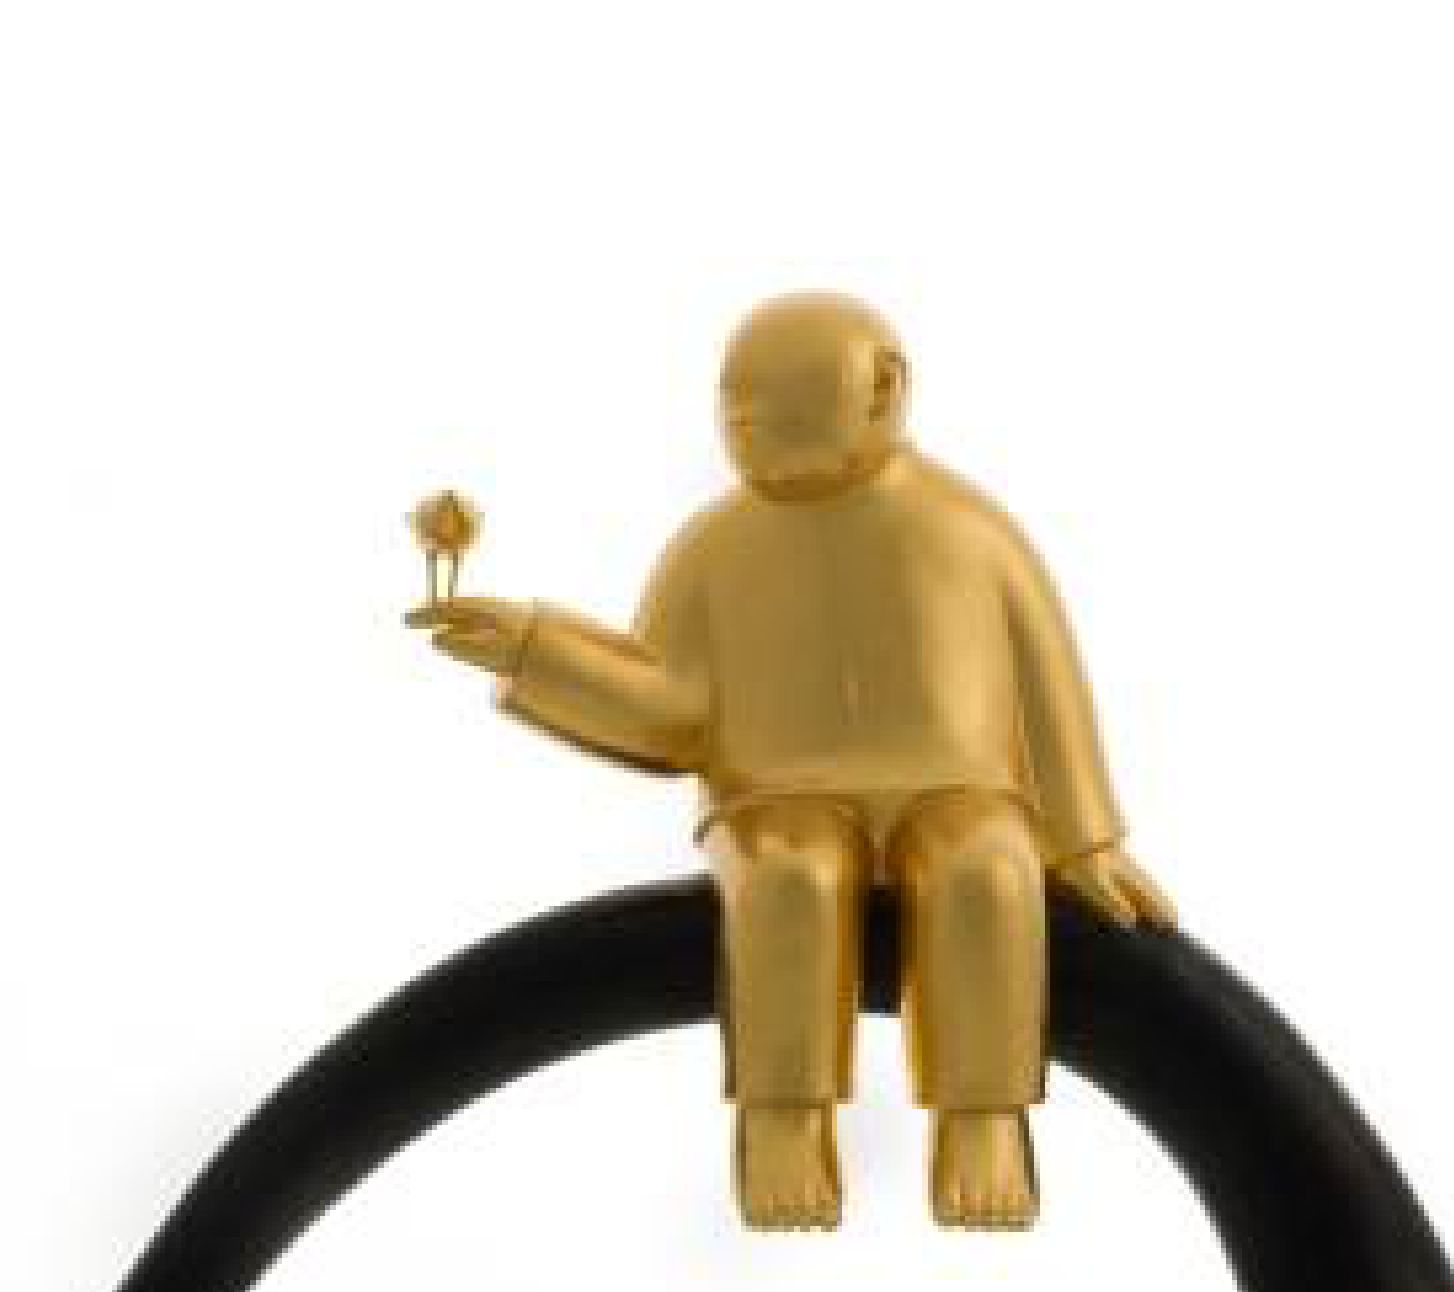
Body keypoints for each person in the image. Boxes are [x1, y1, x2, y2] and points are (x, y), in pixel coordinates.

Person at [409, 292, 1171, 1231]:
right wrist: (533, 652)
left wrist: (1085, 840)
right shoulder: (713, 549)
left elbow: (1047, 685)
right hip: (770, 798)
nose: (746, 423)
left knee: (988, 870)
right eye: (735, 404)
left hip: (962, 789)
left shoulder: (970, 532)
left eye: (780, 400)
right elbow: (667, 710)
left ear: (884, 388)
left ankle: (983, 1118)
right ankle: (782, 1116)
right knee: (786, 878)